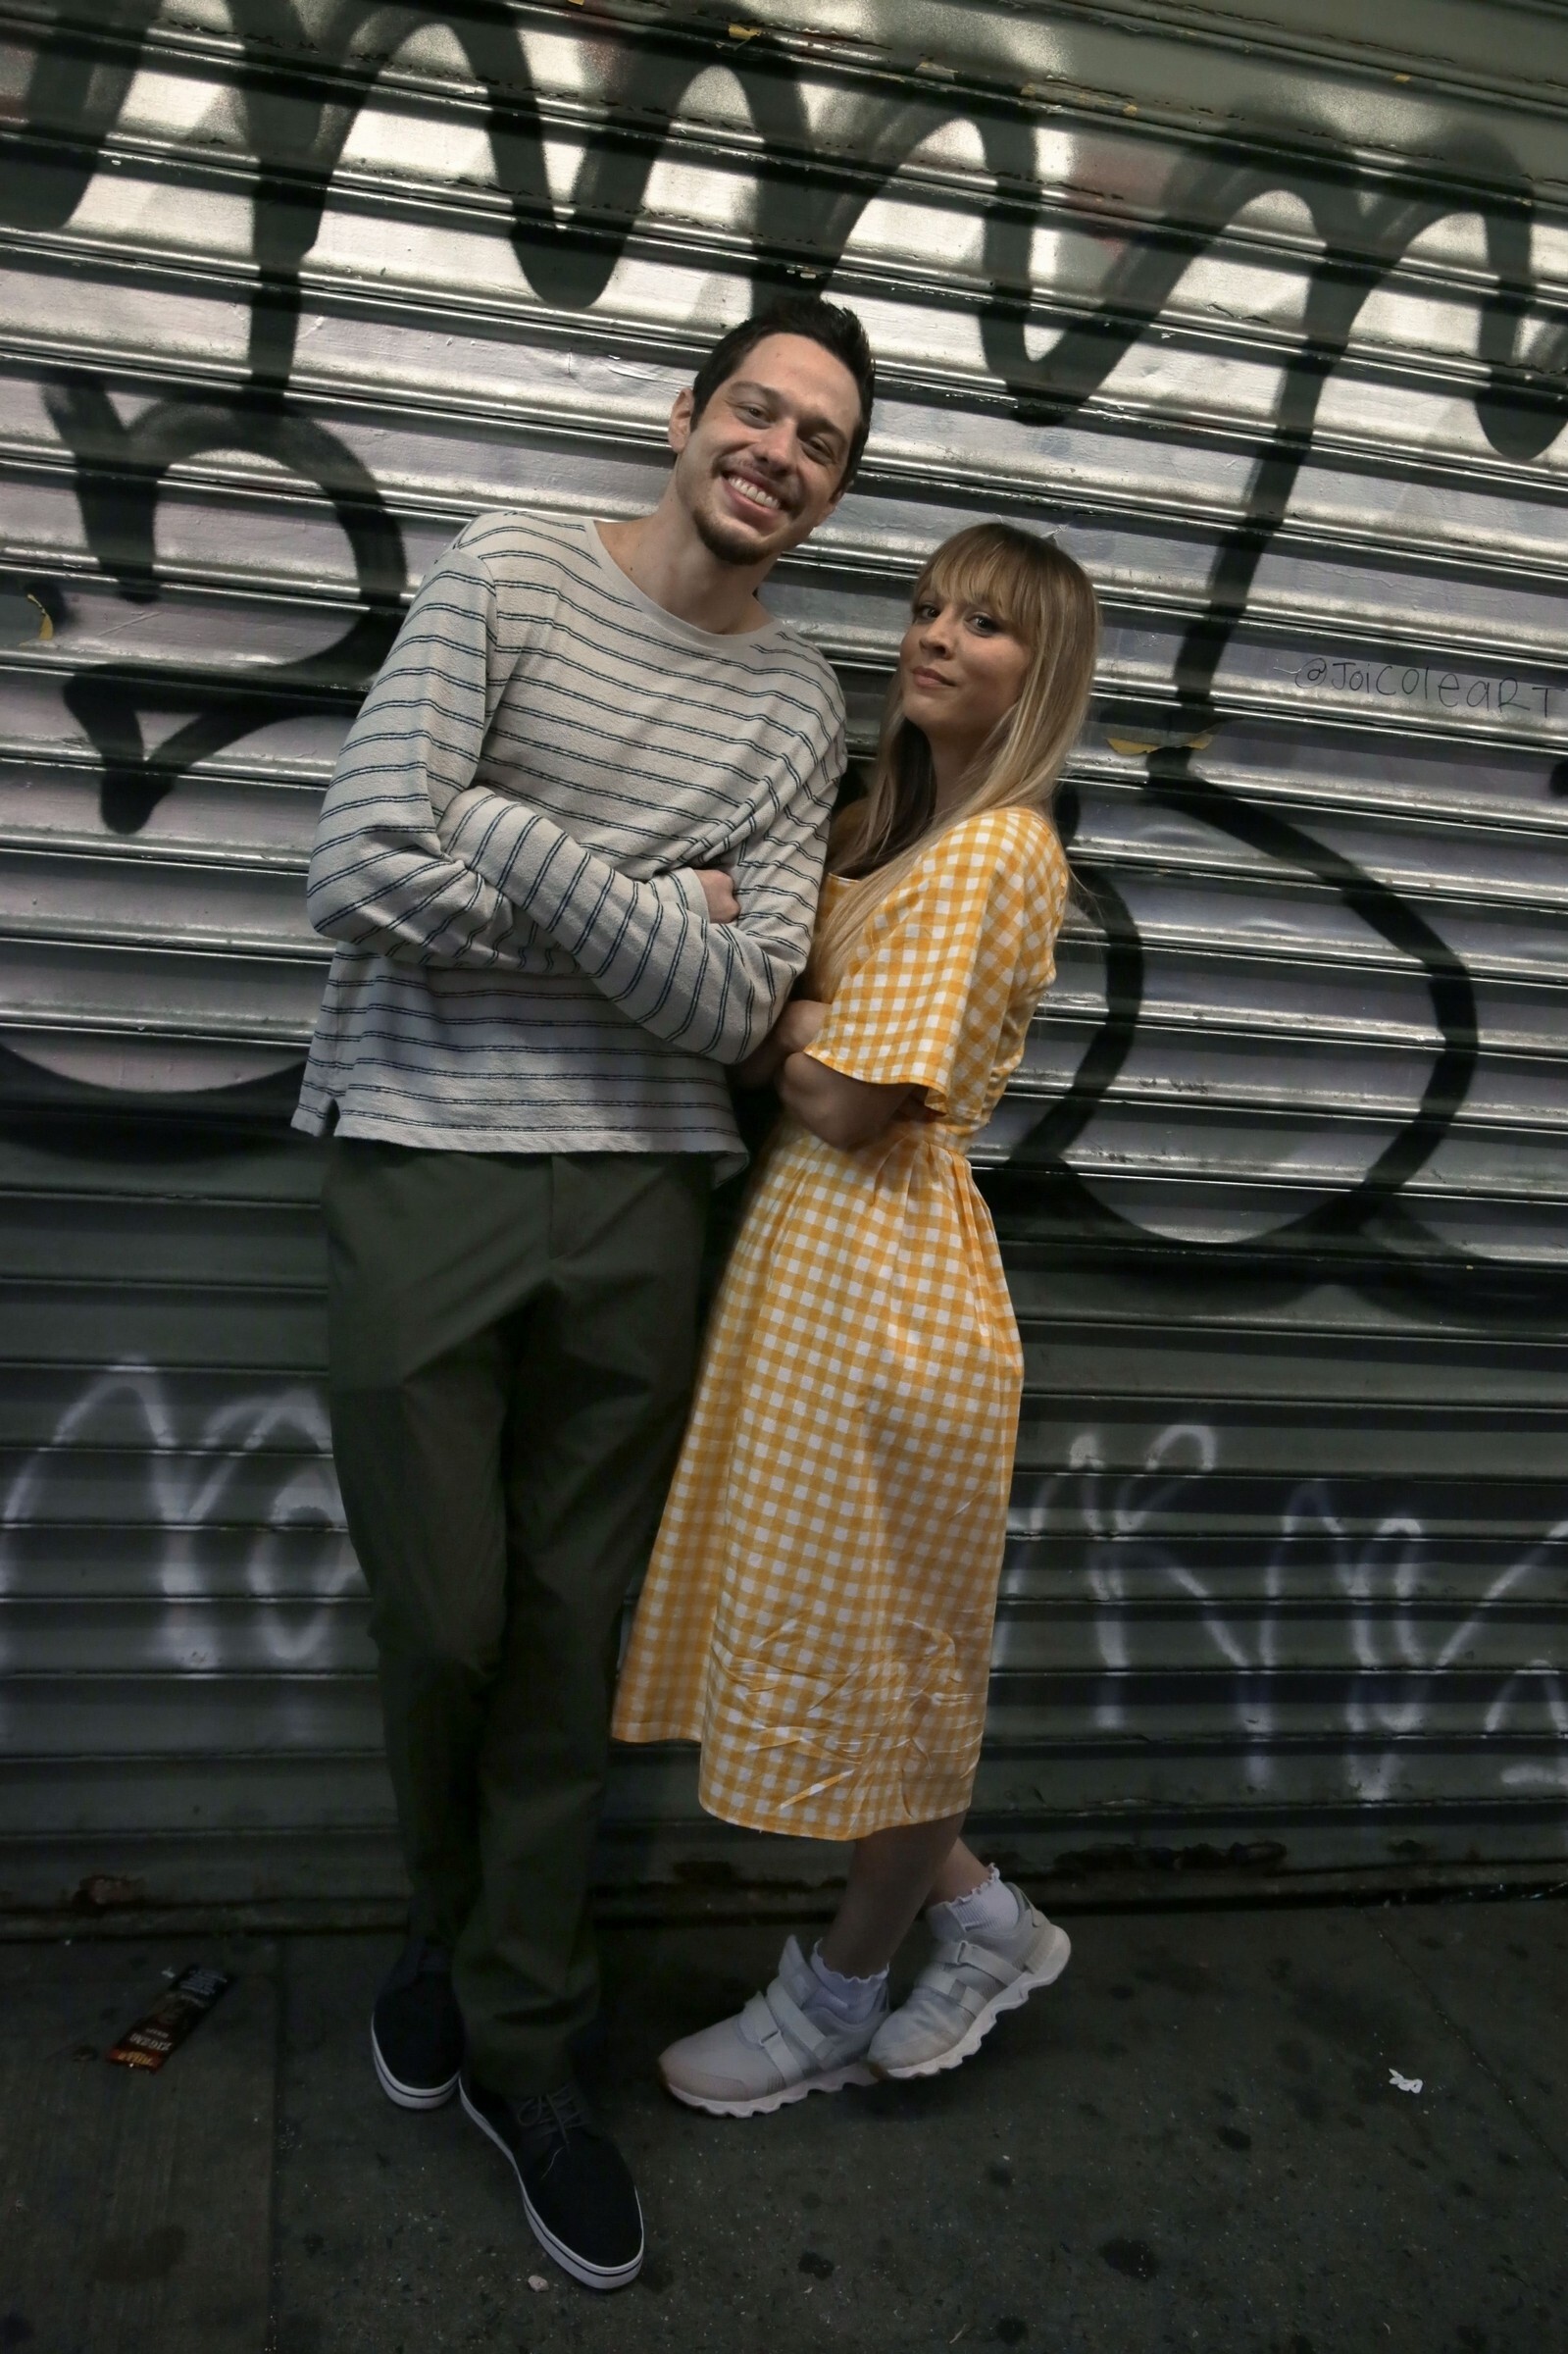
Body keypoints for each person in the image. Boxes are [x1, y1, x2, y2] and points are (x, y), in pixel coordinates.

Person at [293, 296, 875, 2286]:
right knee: (444, 1620)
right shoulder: (508, 575)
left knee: (566, 1641)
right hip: (421, 1155)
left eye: (819, 442)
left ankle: (525, 2044)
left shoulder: (796, 703)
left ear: (831, 491)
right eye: (757, 411)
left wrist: (508, 834)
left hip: (643, 1193)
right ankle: (452, 1930)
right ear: (685, 413)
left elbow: (732, 1003)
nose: (777, 454)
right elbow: (356, 870)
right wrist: (642, 894)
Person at [612, 522, 1099, 2115]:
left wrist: (775, 1013)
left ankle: (834, 1995)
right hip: (813, 1272)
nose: (939, 637)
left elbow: (842, 1100)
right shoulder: (887, 835)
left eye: (988, 625)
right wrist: (799, 1016)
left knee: (891, 1666)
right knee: (851, 1640)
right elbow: (795, 1036)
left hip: (890, 1285)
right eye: (928, 606)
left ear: (1043, 672)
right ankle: (988, 1924)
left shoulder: (1001, 849)